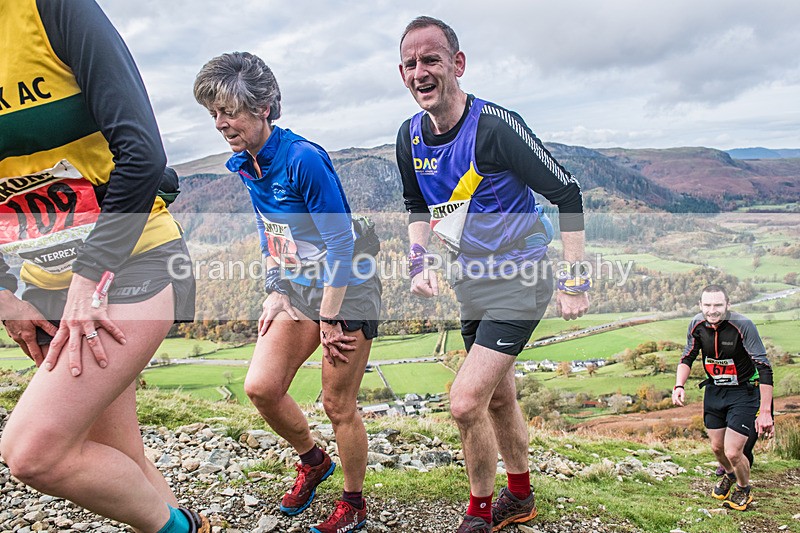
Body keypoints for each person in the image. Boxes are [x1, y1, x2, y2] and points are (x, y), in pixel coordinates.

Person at [0, 1, 200, 533]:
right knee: (125, 460)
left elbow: (142, 155)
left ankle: (183, 528)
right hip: (44, 290)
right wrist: (5, 298)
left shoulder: (49, 9)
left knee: (32, 451)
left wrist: (88, 279)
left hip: (131, 261)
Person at [395, 17, 590, 533]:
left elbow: (567, 193)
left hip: (522, 276)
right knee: (498, 396)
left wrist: (576, 280)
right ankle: (520, 497)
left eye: (431, 59)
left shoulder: (495, 127)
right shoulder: (408, 136)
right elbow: (416, 205)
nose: (421, 71)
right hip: (470, 281)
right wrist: (419, 261)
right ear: (402, 73)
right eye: (411, 63)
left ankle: (479, 513)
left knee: (464, 402)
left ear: (457, 64)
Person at [193, 52, 382, 533]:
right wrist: (275, 289)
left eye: (228, 111)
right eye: (213, 113)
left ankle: (354, 504)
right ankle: (314, 460)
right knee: (261, 386)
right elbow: (269, 228)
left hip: (349, 289)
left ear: (264, 108)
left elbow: (340, 243)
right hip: (298, 289)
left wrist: (331, 318)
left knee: (338, 405)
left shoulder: (303, 159)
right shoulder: (246, 163)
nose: (220, 123)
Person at [672, 285, 774, 512]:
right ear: (700, 305)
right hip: (715, 391)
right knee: (717, 448)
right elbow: (687, 357)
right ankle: (729, 475)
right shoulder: (696, 324)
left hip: (744, 392)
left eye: (718, 305)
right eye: (707, 305)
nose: (712, 310)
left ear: (728, 304)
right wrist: (679, 385)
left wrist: (766, 411)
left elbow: (764, 367)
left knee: (733, 452)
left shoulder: (743, 326)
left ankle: (743, 488)